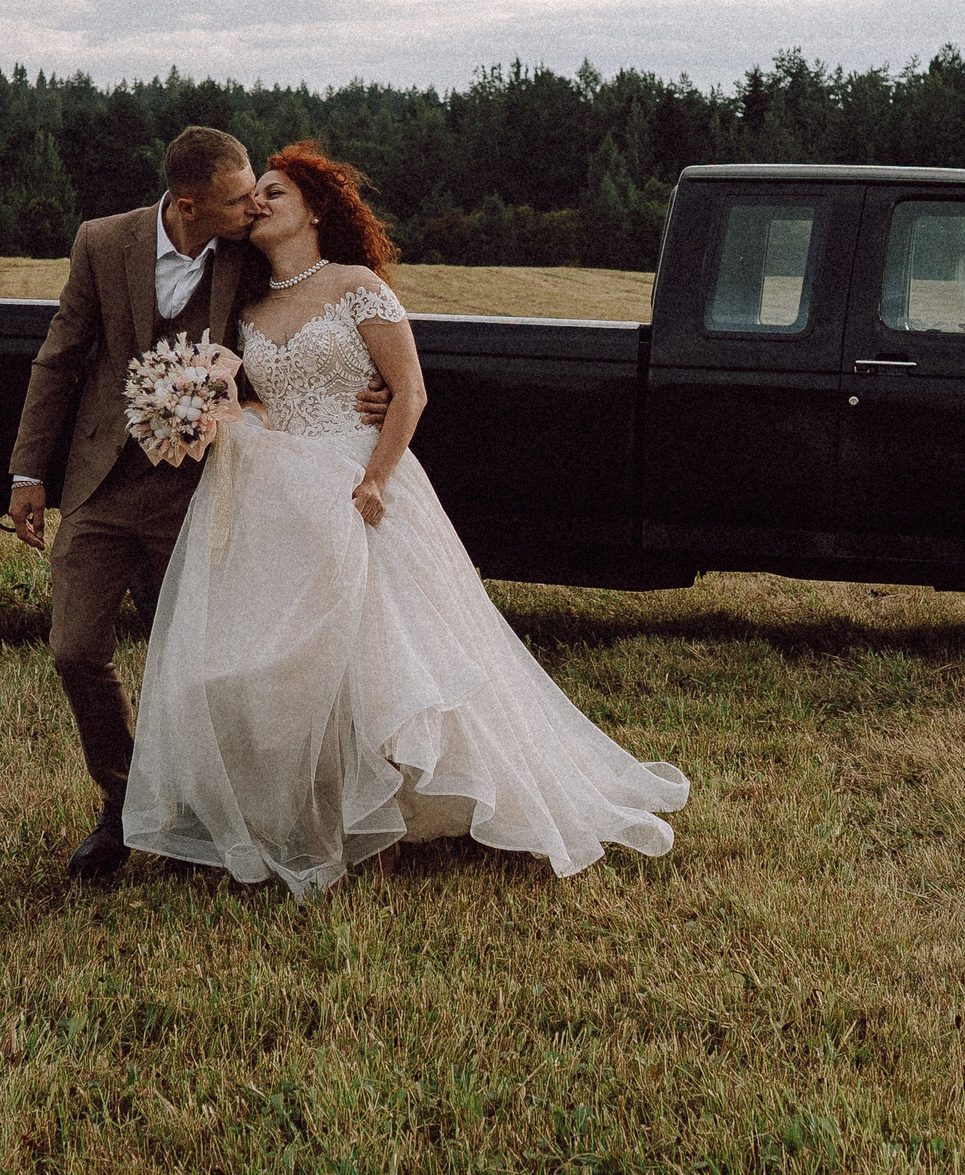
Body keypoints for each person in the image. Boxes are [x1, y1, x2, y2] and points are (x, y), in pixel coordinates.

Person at [120, 142, 689, 897]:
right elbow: (267, 398)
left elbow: (409, 390)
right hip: (278, 486)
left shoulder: (358, 288)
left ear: (317, 208)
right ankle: (299, 810)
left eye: (275, 192)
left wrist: (377, 479)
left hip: (360, 484)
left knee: (379, 658)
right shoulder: (250, 307)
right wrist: (212, 409)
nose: (259, 203)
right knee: (285, 658)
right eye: (253, 195)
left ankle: (381, 819)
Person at [6, 128, 354, 879]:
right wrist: (27, 471)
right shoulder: (102, 243)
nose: (253, 206)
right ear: (190, 205)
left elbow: (311, 310)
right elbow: (60, 355)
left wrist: (368, 378)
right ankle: (123, 801)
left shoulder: (246, 251)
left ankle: (202, 815)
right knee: (74, 649)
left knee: (203, 663)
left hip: (200, 494)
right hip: (102, 483)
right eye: (238, 199)